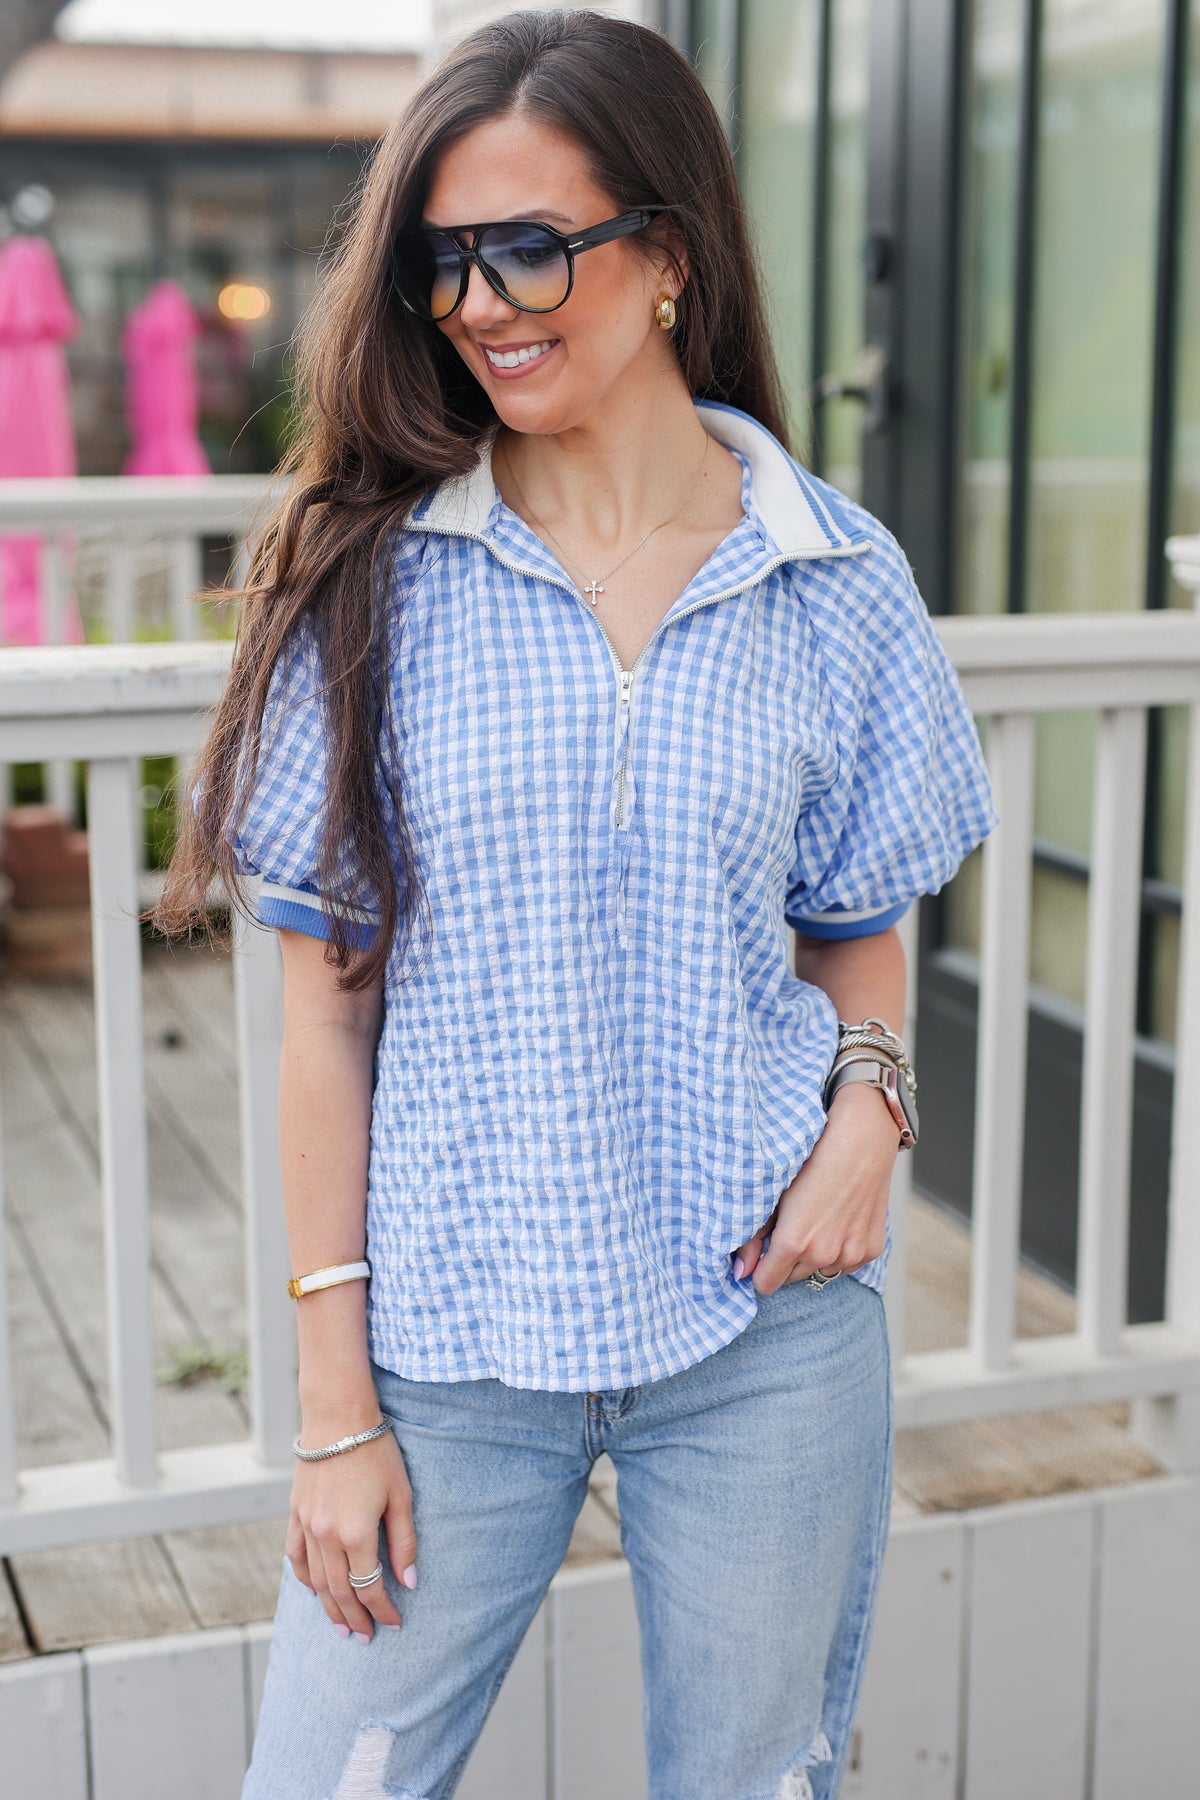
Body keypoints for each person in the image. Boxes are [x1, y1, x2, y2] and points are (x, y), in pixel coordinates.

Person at [159, 11, 996, 1798]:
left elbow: (858, 909)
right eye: (445, 262)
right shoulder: (371, 580)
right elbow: (324, 1013)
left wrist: (870, 1101)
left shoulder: (831, 577)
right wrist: (335, 1408)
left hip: (763, 1329)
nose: (481, 301)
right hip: (452, 1341)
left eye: (528, 247)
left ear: (667, 254)